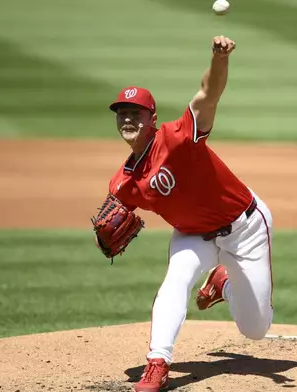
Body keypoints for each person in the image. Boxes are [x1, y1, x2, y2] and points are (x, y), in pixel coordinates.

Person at [105, 35, 274, 392]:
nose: (127, 119)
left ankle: (222, 283)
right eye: (122, 114)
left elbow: (208, 94)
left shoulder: (178, 136)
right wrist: (105, 240)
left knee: (255, 329)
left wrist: (219, 59)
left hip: (245, 227)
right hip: (193, 235)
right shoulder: (122, 183)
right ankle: (158, 363)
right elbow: (114, 220)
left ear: (151, 118)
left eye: (135, 113)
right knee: (175, 281)